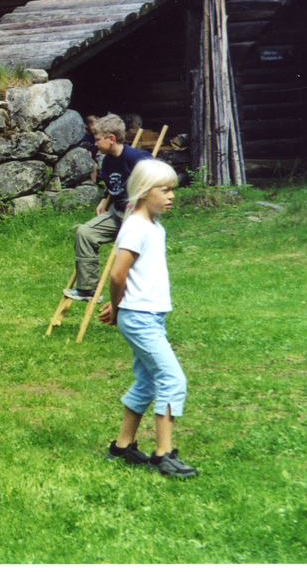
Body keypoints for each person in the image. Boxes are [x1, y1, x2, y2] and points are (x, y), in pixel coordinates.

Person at [98, 159, 196, 478]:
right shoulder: (136, 228)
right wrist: (118, 307)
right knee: (172, 379)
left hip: (148, 315)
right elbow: (117, 274)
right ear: (143, 192)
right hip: (139, 318)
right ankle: (163, 454)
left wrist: (120, 306)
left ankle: (122, 446)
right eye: (165, 190)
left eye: (173, 190)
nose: (171, 196)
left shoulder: (154, 225)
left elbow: (134, 277)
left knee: (148, 380)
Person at [65, 113, 153, 301]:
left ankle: (135, 299)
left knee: (129, 261)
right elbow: (114, 185)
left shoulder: (136, 157)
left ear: (111, 139)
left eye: (98, 140)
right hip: (118, 214)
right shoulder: (107, 162)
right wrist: (104, 200)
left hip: (137, 219)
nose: (95, 143)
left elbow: (158, 176)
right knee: (85, 233)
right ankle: (88, 289)